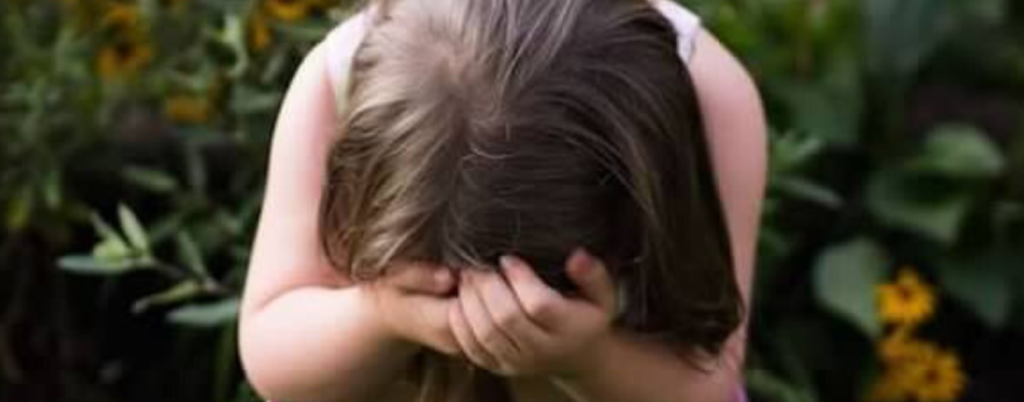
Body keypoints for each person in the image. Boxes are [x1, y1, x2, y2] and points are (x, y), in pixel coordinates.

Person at [239, 0, 767, 401]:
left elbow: (711, 379)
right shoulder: (341, 79)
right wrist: (380, 314)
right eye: (447, 282)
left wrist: (590, 357)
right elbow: (272, 349)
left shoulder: (707, 91)